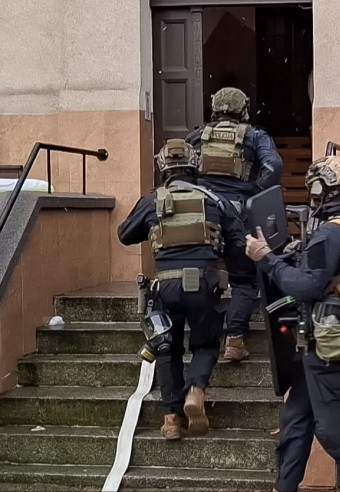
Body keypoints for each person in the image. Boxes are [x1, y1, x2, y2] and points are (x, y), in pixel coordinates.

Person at [244, 155, 340, 492]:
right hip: (318, 341)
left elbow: (305, 286)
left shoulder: (331, 233)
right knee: (296, 422)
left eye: (314, 189)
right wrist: (294, 252)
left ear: (321, 190)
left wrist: (266, 259)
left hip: (323, 346)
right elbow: (321, 271)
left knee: (332, 429)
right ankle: (284, 486)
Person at [118, 139, 247, 439]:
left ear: (163, 168)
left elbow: (124, 234)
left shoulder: (152, 201)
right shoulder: (215, 199)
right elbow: (239, 243)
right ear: (195, 165)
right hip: (204, 283)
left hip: (165, 286)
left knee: (167, 348)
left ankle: (172, 419)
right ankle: (196, 391)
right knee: (205, 344)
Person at [187, 86, 283, 362]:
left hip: (201, 216)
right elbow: (273, 167)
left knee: (197, 278)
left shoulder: (197, 136)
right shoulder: (254, 136)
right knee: (244, 280)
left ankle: (201, 337)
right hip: (237, 218)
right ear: (244, 110)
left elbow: (181, 167)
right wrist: (253, 192)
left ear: (214, 108)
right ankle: (234, 339)